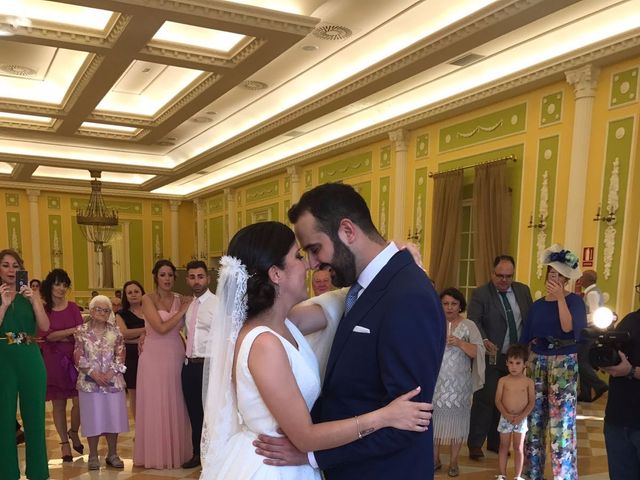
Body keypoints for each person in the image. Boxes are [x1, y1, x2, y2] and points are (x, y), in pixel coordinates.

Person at [200, 221, 431, 479]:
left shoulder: (288, 323)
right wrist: (384, 416)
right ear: (276, 274)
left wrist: (388, 259)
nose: (308, 265)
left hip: (293, 464)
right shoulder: (264, 344)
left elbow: (343, 300)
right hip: (273, 467)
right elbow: (306, 437)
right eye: (298, 257)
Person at [255, 183, 445, 479]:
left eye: (315, 249)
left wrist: (312, 454)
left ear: (347, 231)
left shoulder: (409, 295)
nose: (313, 264)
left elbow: (411, 420)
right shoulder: (360, 289)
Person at [520, 243, 586, 480]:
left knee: (562, 424)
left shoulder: (575, 302)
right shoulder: (537, 306)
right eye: (551, 273)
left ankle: (564, 475)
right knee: (534, 421)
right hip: (537, 362)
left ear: (566, 280)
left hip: (564, 363)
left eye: (558, 275)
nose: (553, 277)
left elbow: (569, 328)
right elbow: (526, 338)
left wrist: (560, 299)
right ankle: (531, 473)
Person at [467, 255, 533, 459]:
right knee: (485, 399)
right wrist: (484, 339)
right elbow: (473, 321)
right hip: (492, 356)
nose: (504, 280)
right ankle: (475, 443)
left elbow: (529, 319)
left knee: (507, 399)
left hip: (516, 358)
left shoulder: (522, 291)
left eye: (509, 276)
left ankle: (497, 442)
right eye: (500, 276)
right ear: (492, 273)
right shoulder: (481, 294)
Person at [134, 259, 192, 469]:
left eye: (170, 275)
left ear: (175, 278)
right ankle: (155, 454)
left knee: (177, 400)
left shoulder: (182, 299)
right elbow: (160, 327)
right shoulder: (147, 299)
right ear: (156, 277)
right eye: (162, 275)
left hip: (176, 352)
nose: (167, 279)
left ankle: (179, 452)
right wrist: (183, 310)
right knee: (155, 403)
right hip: (153, 355)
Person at [0, 249, 50, 480]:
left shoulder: (31, 294)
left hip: (30, 356)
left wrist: (34, 300)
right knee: (4, 416)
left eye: (15, 266)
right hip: (4, 357)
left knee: (35, 416)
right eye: (6, 265)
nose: (11, 270)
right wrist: (3, 304)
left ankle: (38, 472)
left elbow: (45, 326)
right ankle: (7, 472)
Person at [433, 287, 485, 477]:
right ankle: (435, 459)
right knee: (434, 420)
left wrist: (460, 343)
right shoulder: (434, 322)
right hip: (437, 381)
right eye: (445, 303)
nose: (449, 307)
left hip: (459, 383)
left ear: (460, 305)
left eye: (454, 304)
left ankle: (454, 462)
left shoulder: (469, 325)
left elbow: (478, 352)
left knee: (459, 422)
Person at [73, 295, 128, 470]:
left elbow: (121, 353)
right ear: (91, 310)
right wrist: (93, 373)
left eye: (106, 310)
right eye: (98, 309)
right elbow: (78, 355)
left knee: (114, 418)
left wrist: (111, 372)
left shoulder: (116, 331)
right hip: (89, 382)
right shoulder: (81, 331)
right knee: (92, 419)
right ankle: (93, 455)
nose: (102, 313)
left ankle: (112, 453)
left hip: (113, 381)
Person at [39, 268, 85, 462]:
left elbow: (81, 332)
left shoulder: (73, 307)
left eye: (65, 285)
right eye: (57, 284)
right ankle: (64, 443)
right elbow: (45, 335)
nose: (61, 288)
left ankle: (74, 431)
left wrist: (60, 335)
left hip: (74, 359)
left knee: (80, 402)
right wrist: (69, 332)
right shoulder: (44, 310)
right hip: (53, 360)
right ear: (50, 285)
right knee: (58, 404)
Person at [600, 283, 640, 479]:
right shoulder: (630, 321)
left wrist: (630, 371)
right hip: (617, 419)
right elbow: (613, 356)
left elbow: (627, 368)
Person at [181, 260, 217, 469]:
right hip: (189, 365)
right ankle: (197, 454)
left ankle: (213, 455)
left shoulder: (217, 304)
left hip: (209, 365)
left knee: (210, 413)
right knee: (194, 412)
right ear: (187, 280)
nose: (196, 281)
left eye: (200, 276)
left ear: (208, 278)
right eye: (192, 277)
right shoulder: (187, 305)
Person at [494, 344, 535, 480]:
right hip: (505, 417)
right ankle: (502, 474)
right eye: (511, 363)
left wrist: (521, 416)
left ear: (525, 364)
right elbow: (498, 400)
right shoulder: (503, 381)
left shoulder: (528, 382)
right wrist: (505, 414)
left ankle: (518, 476)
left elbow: (531, 402)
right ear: (506, 363)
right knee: (503, 446)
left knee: (518, 447)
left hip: (521, 419)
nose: (514, 366)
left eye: (518, 363)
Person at [114, 280, 145, 418]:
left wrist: (137, 335)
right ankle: (139, 429)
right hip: (132, 355)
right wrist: (146, 331)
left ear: (142, 293)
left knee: (150, 391)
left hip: (150, 353)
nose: (133, 295)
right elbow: (123, 334)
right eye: (129, 292)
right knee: (134, 393)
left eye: (136, 291)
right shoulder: (121, 314)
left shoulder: (150, 310)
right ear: (125, 296)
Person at [577, 269, 609, 401]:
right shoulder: (594, 291)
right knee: (585, 362)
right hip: (591, 331)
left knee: (581, 362)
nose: (580, 279)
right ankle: (585, 394)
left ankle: (600, 386)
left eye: (582, 277)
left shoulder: (592, 294)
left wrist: (578, 318)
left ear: (588, 279)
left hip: (589, 331)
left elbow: (595, 314)